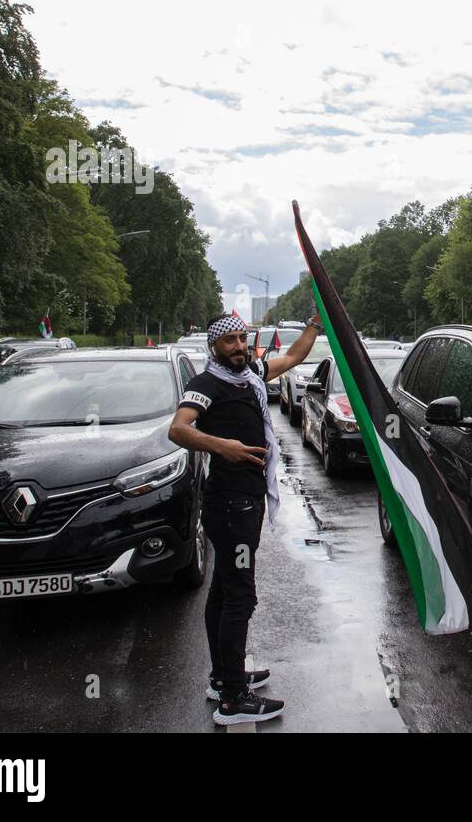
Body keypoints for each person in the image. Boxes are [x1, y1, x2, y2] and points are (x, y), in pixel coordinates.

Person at [167, 311, 323, 726]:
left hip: (244, 502)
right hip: (231, 505)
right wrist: (223, 447)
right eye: (230, 341)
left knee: (221, 591)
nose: (238, 346)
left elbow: (290, 358)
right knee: (239, 597)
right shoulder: (206, 384)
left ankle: (223, 678)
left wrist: (314, 325)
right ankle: (234, 700)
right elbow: (179, 429)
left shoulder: (250, 373)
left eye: (242, 338)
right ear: (214, 346)